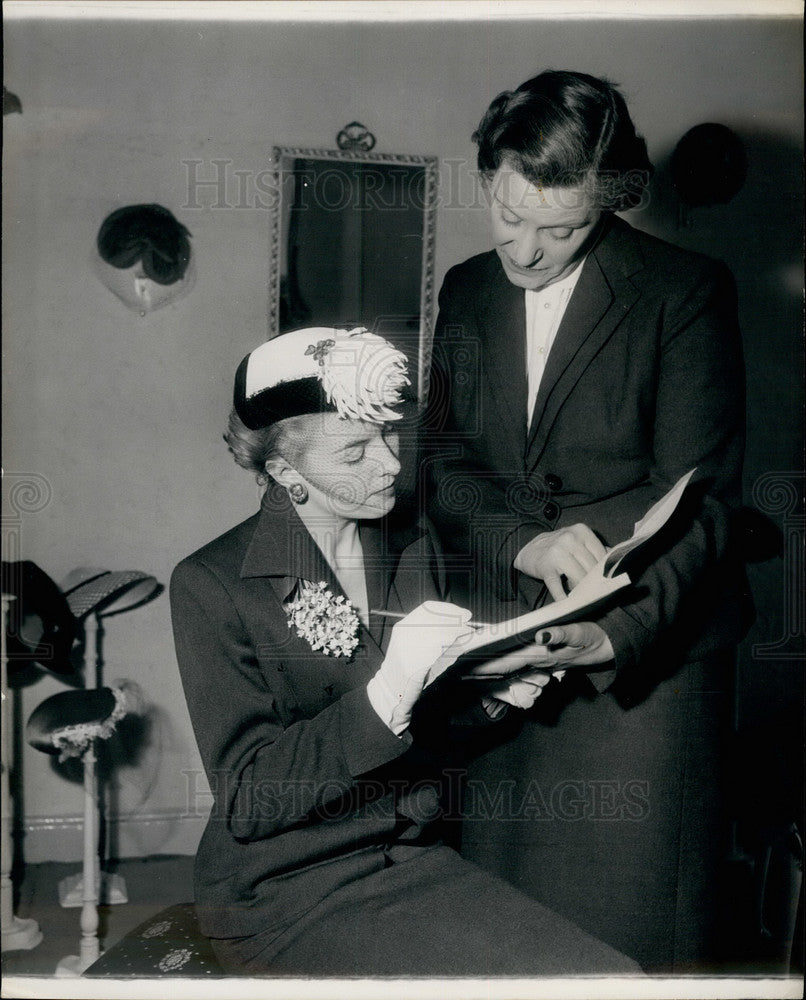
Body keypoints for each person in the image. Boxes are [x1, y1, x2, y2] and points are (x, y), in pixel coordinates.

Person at [170, 325, 640, 977]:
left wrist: (499, 690)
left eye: (390, 434)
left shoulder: (409, 546)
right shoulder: (213, 584)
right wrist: (388, 691)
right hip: (283, 890)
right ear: (284, 469)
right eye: (357, 449)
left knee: (610, 979)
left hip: (406, 856)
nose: (391, 463)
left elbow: (425, 737)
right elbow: (249, 800)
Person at [425, 70, 749, 972]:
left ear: (609, 203)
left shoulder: (684, 291)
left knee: (624, 940)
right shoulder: (465, 291)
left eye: (561, 228)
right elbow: (444, 465)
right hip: (507, 651)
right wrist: (524, 542)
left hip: (646, 667)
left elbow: (704, 497)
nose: (525, 252)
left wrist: (611, 635)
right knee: (502, 928)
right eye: (508, 213)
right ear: (487, 174)